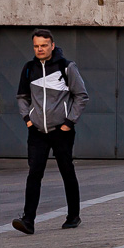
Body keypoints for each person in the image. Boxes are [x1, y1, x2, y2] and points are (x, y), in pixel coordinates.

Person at [13, 29, 89, 235]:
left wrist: (69, 122)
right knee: (34, 173)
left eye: (44, 45)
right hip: (37, 131)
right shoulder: (29, 69)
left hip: (61, 131)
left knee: (67, 171)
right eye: (36, 46)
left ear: (52, 45)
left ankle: (73, 216)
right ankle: (28, 220)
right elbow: (22, 96)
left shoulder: (66, 67)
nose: (40, 49)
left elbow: (81, 96)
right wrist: (27, 120)